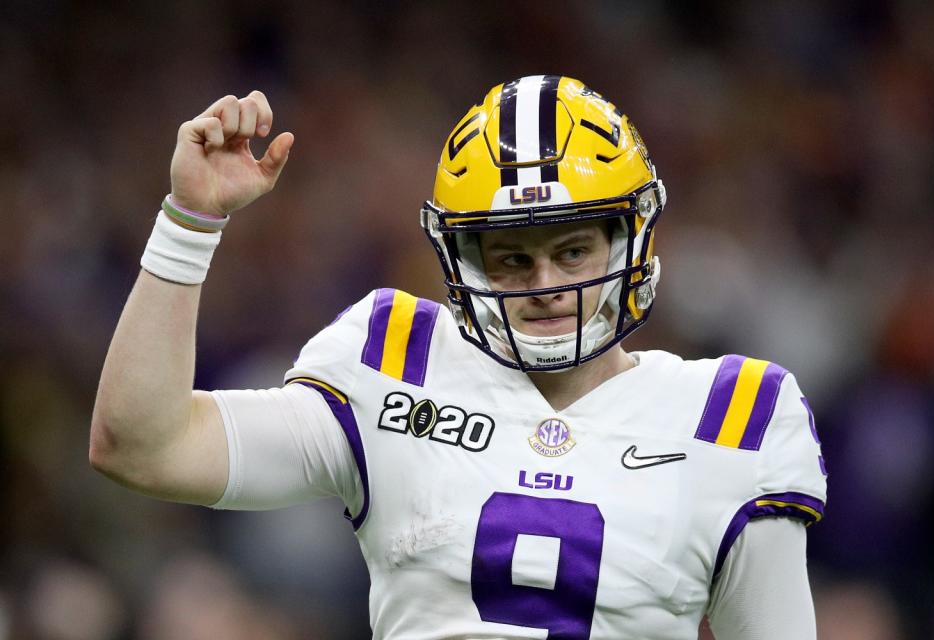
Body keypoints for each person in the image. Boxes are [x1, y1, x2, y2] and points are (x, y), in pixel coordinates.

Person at [90, 75, 828, 639]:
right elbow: (141, 445)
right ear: (462, 260)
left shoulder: (735, 420)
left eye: (572, 251)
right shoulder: (393, 359)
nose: (544, 286)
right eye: (511, 258)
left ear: (627, 241)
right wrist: (190, 223)